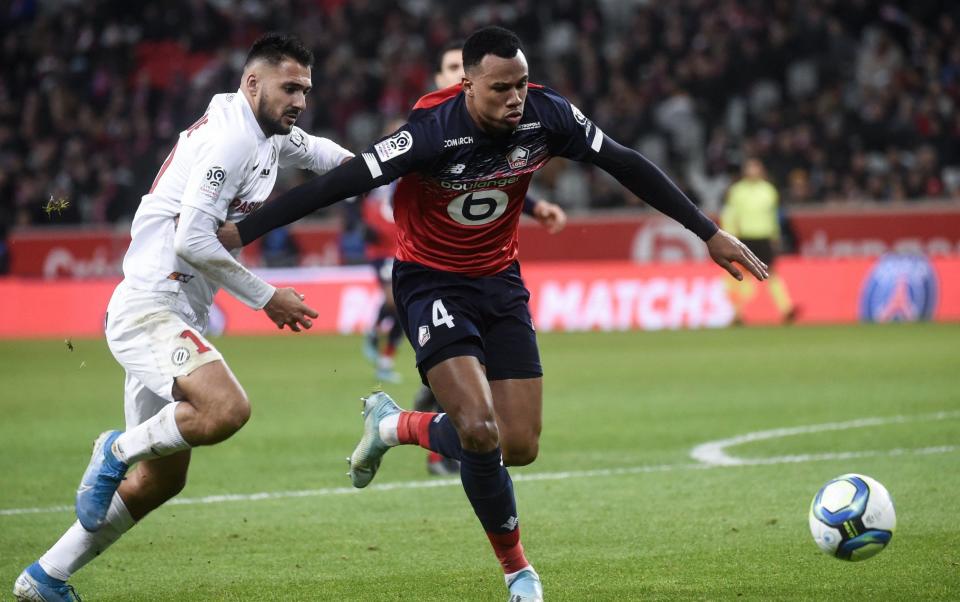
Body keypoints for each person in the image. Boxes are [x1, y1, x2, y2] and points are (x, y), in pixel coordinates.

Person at [219, 26, 767, 602]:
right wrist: (244, 231)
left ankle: (393, 425)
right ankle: (518, 572)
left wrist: (707, 232)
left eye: (523, 85)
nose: (515, 99)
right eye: (501, 88)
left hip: (500, 283)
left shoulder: (548, 116)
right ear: (468, 86)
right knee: (478, 430)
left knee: (520, 444)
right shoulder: (429, 134)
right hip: (431, 283)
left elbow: (625, 162)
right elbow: (336, 185)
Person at [13, 33, 352, 602]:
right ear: (253, 82)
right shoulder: (230, 141)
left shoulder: (264, 133)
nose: (298, 99)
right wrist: (266, 296)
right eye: (288, 87)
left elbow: (323, 156)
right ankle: (115, 449)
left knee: (165, 478)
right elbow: (192, 238)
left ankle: (45, 577)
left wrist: (400, 166)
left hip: (173, 310)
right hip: (150, 307)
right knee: (225, 409)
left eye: (305, 90)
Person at [380, 39, 568, 477]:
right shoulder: (422, 130)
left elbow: (492, 173)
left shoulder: (504, 120)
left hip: (494, 276)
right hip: (429, 271)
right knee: (467, 396)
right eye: (445, 67)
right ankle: (437, 441)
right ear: (456, 80)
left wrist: (536, 207)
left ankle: (415, 428)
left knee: (508, 432)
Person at [721, 158, 798, 325]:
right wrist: (729, 236)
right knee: (744, 276)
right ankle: (738, 313)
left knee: (771, 274)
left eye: (755, 168)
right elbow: (730, 215)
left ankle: (786, 308)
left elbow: (773, 217)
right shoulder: (737, 191)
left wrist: (775, 236)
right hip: (744, 238)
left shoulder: (769, 191)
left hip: (763, 237)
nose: (752, 171)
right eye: (750, 168)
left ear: (761, 170)